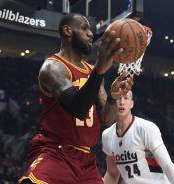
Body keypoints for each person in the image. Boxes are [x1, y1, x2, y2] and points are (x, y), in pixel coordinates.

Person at [18, 13, 133, 184]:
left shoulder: (91, 70)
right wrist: (99, 70)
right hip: (56, 151)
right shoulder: (52, 67)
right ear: (67, 31)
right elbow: (78, 108)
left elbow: (107, 119)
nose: (91, 34)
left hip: (86, 159)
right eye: (85, 28)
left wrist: (112, 98)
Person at [102, 90, 174, 184]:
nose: (121, 102)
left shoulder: (146, 128)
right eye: (118, 98)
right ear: (112, 103)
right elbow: (112, 173)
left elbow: (167, 165)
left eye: (125, 98)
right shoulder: (107, 135)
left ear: (131, 104)